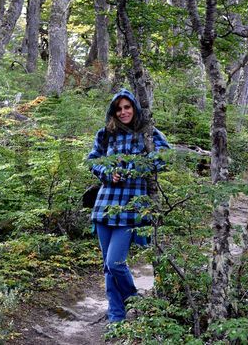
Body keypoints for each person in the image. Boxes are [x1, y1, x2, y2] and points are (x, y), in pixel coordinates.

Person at [87, 89, 170, 323]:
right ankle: (116, 317)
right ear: (114, 111)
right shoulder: (105, 135)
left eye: (127, 107)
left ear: (135, 107)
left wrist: (137, 168)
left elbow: (165, 156)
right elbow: (92, 161)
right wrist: (107, 172)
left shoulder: (147, 133)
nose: (123, 112)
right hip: (105, 205)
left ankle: (133, 298)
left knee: (115, 262)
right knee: (108, 267)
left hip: (131, 208)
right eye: (119, 108)